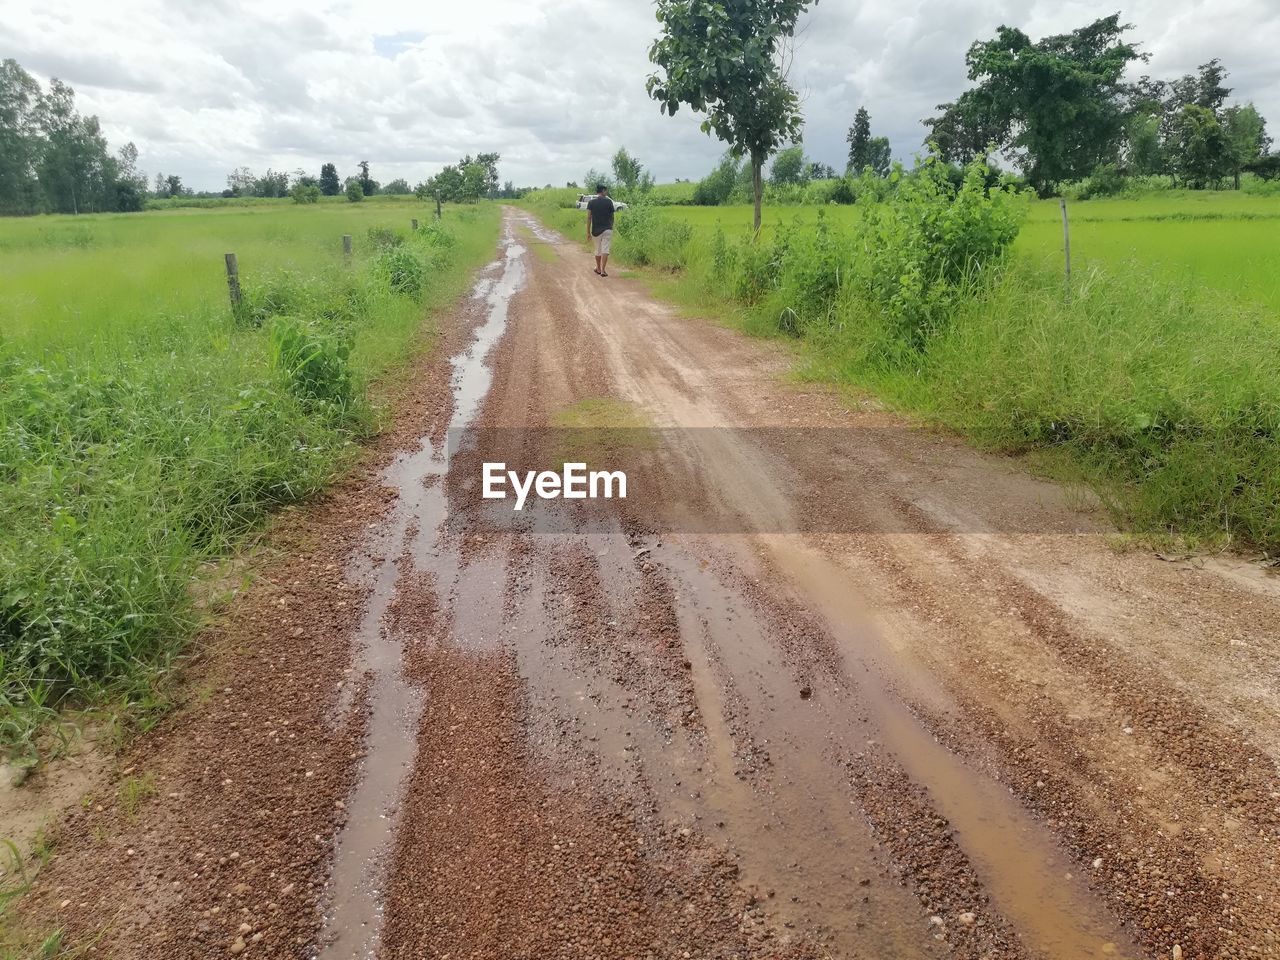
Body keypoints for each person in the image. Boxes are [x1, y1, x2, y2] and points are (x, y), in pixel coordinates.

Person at [585, 184, 615, 278]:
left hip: (596, 230)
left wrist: (588, 232)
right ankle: (603, 270)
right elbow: (612, 217)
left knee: (597, 249)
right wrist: (611, 226)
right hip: (607, 229)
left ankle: (598, 268)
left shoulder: (591, 202)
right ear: (602, 191)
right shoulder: (609, 202)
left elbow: (589, 218)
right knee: (605, 249)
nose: (606, 192)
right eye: (606, 191)